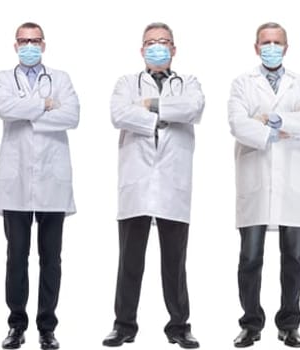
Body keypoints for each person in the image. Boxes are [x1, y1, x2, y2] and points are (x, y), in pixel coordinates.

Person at [102, 22, 205, 350]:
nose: (157, 47)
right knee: (129, 259)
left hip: (173, 183)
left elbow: (193, 109)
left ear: (174, 50)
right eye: (151, 43)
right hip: (137, 183)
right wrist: (162, 116)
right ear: (142, 50)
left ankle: (179, 326)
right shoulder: (126, 82)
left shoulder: (188, 83)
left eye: (164, 42)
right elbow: (118, 114)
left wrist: (148, 106)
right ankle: (124, 326)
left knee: (175, 261)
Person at [226, 22, 300, 349]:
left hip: (292, 184)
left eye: (277, 42)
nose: (271, 47)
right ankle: (251, 324)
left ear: (286, 47)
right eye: (266, 42)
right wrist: (282, 126)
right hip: (255, 181)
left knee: (294, 259)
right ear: (256, 47)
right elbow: (238, 123)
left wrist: (269, 119)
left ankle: (289, 324)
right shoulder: (241, 83)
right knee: (250, 258)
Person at [0, 22, 79, 350]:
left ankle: (47, 326)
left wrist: (28, 111)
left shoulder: (61, 79)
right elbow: (5, 109)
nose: (29, 45)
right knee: (16, 256)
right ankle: (16, 325)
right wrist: (45, 105)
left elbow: (73, 116)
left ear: (44, 44)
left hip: (52, 181)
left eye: (35, 40)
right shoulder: (3, 78)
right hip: (15, 181)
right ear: (15, 45)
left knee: (51, 258)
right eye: (23, 41)